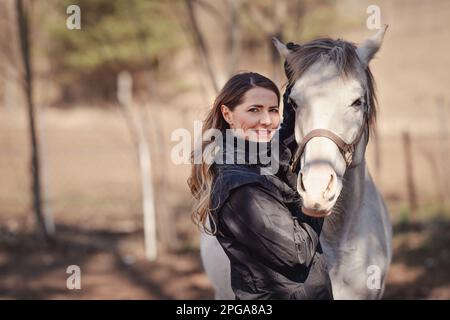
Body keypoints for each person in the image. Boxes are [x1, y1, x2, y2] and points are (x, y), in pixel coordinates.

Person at [188, 72, 333, 299]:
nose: (266, 120)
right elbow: (298, 253)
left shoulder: (260, 159)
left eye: (273, 110)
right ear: (228, 114)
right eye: (254, 109)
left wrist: (296, 85)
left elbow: (283, 141)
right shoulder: (240, 187)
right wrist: (316, 199)